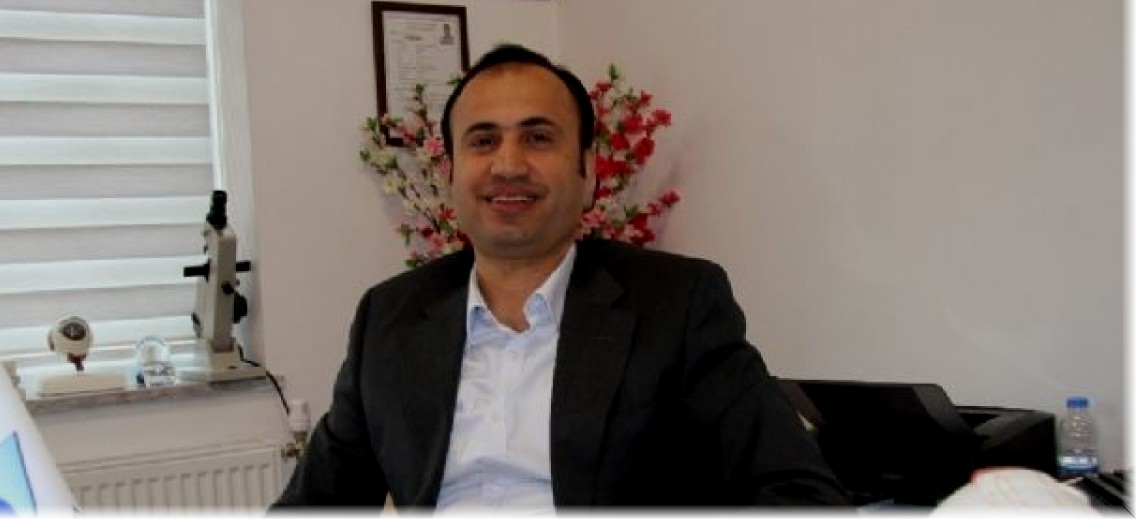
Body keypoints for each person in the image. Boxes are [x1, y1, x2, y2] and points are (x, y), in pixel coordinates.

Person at [272, 44, 850, 509]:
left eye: (538, 137)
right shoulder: (390, 318)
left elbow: (800, 494)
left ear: (588, 170)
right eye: (483, 140)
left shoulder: (675, 305)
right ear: (449, 174)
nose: (508, 164)